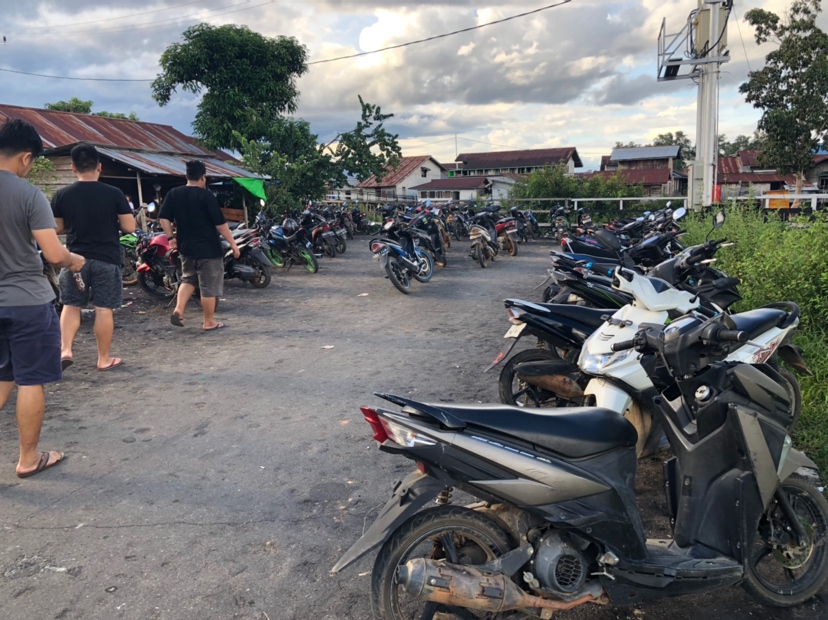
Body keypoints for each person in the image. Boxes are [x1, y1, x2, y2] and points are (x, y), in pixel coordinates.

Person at [0, 119, 86, 478]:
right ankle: (28, 458)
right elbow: (53, 253)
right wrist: (73, 260)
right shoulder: (28, 194)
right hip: (26, 303)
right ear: (25, 157)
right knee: (30, 380)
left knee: (2, 376)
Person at [51, 143, 135, 371]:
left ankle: (66, 350)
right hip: (106, 259)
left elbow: (57, 228)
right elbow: (129, 227)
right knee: (103, 308)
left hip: (73, 260)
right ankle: (103, 358)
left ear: (72, 167)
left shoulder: (61, 195)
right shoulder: (114, 193)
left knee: (70, 306)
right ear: (99, 166)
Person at [159, 160, 239, 330]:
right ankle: (208, 321)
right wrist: (233, 244)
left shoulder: (174, 193)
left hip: (186, 248)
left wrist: (170, 237)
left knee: (188, 279)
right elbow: (220, 224)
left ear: (186, 176)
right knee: (208, 286)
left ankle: (179, 310)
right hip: (208, 249)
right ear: (203, 177)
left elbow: (163, 217)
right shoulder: (206, 195)